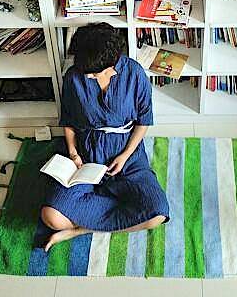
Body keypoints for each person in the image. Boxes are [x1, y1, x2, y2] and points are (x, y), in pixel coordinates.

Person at [40, 23, 169, 251]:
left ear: (112, 65)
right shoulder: (74, 76)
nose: (87, 75)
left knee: (157, 213)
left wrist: (125, 155)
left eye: (93, 72)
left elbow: (143, 121)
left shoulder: (134, 73)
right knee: (51, 216)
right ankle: (114, 212)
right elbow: (68, 120)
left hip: (126, 153)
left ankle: (82, 229)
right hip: (87, 153)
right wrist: (73, 153)